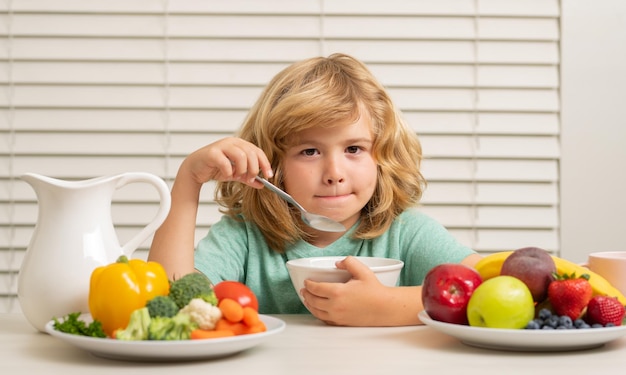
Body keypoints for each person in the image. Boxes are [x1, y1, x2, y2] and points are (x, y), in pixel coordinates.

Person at [148, 53, 482, 327]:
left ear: (382, 156)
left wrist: (388, 306)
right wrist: (187, 182)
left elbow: (489, 288)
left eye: (354, 149)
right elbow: (172, 306)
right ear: (272, 164)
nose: (334, 174)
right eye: (310, 151)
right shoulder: (244, 236)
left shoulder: (407, 233)